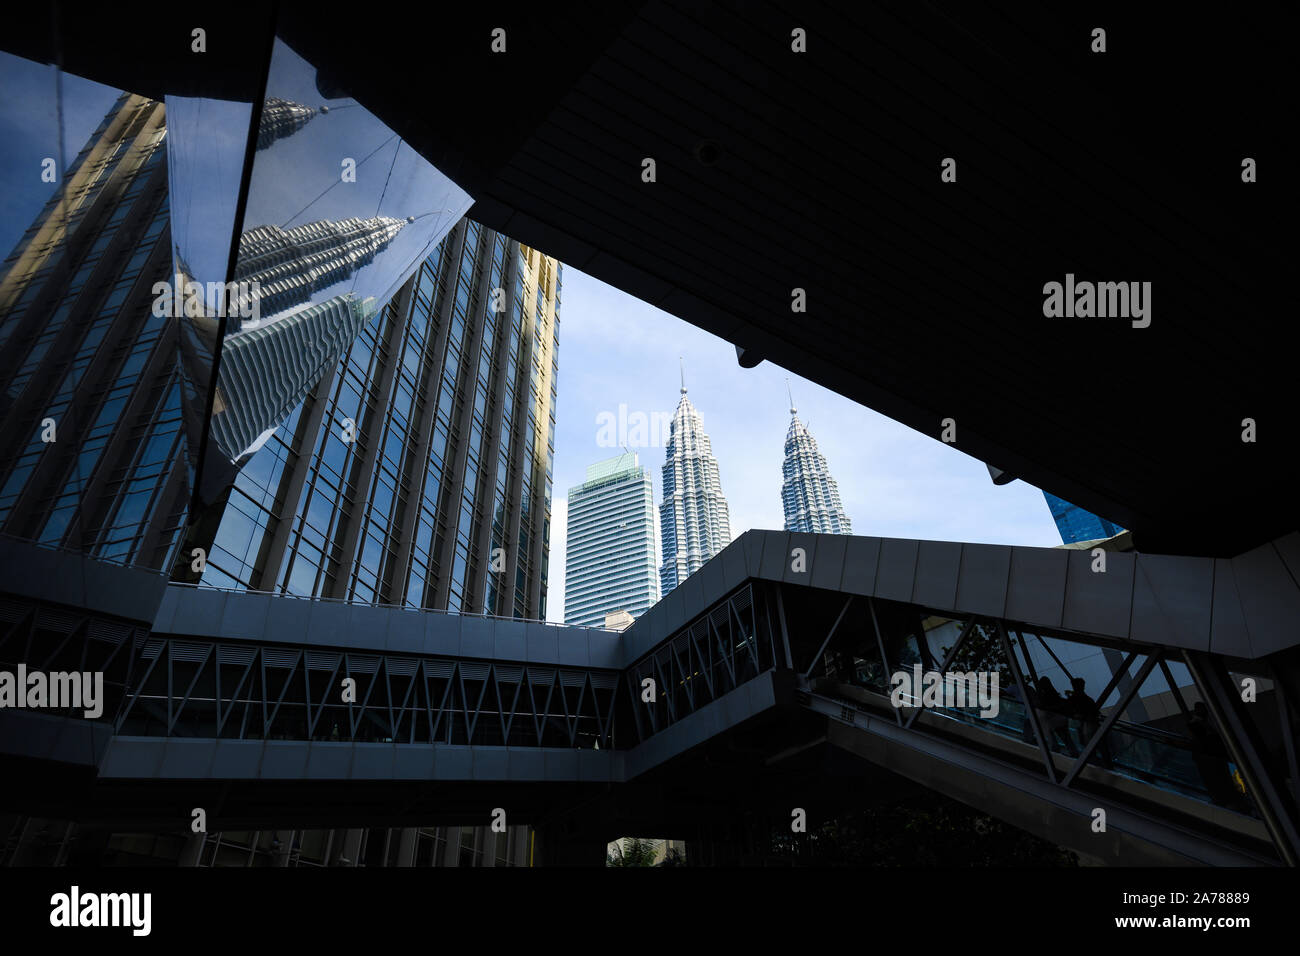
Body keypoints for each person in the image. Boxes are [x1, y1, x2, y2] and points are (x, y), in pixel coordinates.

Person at [1066, 677, 1112, 768]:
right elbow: (1095, 712)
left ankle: (1095, 765)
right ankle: (1107, 764)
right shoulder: (1088, 699)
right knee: (1102, 747)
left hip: (1085, 726)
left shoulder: (1073, 699)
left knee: (1089, 747)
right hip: (1094, 724)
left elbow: (1070, 711)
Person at [1034, 677, 1078, 757]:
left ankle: (1055, 750)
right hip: (1061, 719)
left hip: (1051, 720)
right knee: (1066, 737)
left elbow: (1040, 706)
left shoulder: (1042, 696)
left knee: (1052, 735)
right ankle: (1073, 752)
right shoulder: (1053, 694)